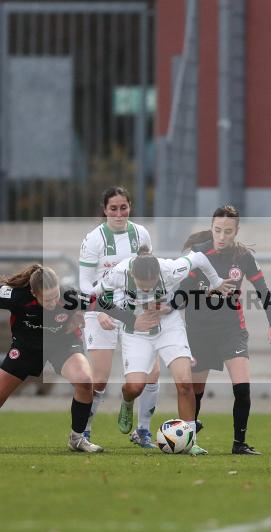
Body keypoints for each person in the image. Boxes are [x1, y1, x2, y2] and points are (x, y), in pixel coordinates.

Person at [0, 264, 151, 453]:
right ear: (34, 293)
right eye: (47, 299)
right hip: (26, 348)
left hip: (62, 345)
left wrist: (133, 321)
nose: (53, 302)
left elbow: (102, 304)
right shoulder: (16, 296)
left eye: (55, 297)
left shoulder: (69, 295)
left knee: (84, 380)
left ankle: (77, 439)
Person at [93, 248, 235, 455]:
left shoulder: (169, 268)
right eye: (143, 286)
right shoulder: (119, 272)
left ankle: (190, 441)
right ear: (133, 275)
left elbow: (199, 258)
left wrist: (215, 281)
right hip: (136, 331)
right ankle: (127, 402)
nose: (147, 290)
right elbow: (94, 297)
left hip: (168, 326)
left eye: (152, 285)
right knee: (134, 387)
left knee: (185, 383)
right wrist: (130, 319)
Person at [179, 206, 271, 455]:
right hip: (199, 330)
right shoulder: (198, 254)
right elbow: (182, 291)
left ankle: (239, 443)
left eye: (228, 231)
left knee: (242, 387)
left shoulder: (243, 257)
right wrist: (208, 291)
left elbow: (263, 291)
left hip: (231, 330)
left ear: (236, 231)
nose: (221, 236)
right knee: (195, 392)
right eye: (217, 230)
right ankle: (189, 440)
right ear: (211, 228)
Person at [79, 187, 161, 448]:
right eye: (112, 208)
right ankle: (84, 431)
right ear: (104, 210)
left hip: (134, 311)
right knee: (99, 378)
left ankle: (142, 431)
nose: (118, 213)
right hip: (100, 311)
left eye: (123, 207)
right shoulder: (93, 239)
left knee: (153, 373)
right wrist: (100, 310)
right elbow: (85, 283)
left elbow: (149, 271)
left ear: (130, 207)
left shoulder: (141, 234)